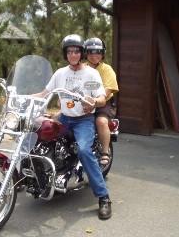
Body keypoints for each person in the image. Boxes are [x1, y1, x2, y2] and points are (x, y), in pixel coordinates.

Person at [34, 34, 112, 220]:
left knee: (84, 151)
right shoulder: (60, 73)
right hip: (65, 118)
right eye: (69, 51)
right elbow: (45, 93)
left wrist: (94, 101)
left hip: (83, 119)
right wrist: (23, 98)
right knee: (37, 135)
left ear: (81, 53)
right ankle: (25, 177)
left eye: (76, 51)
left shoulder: (91, 74)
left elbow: (101, 97)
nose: (73, 54)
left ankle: (103, 197)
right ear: (65, 54)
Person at [85, 37, 119, 166]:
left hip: (104, 103)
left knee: (101, 121)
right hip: (84, 102)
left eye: (98, 52)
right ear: (86, 53)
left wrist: (96, 100)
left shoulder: (107, 69)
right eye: (91, 52)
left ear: (102, 53)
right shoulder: (82, 68)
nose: (94, 55)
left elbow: (109, 89)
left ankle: (105, 152)